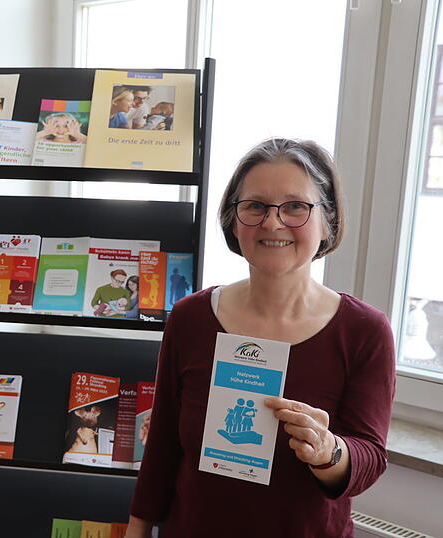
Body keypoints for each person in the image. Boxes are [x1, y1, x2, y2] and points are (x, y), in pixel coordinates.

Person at [125, 138, 395, 537]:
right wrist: (137, 530)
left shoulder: (364, 331)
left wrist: (328, 450)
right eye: (255, 206)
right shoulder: (191, 318)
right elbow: (163, 447)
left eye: (295, 207)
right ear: (233, 221)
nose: (273, 222)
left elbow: (369, 458)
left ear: (328, 222)